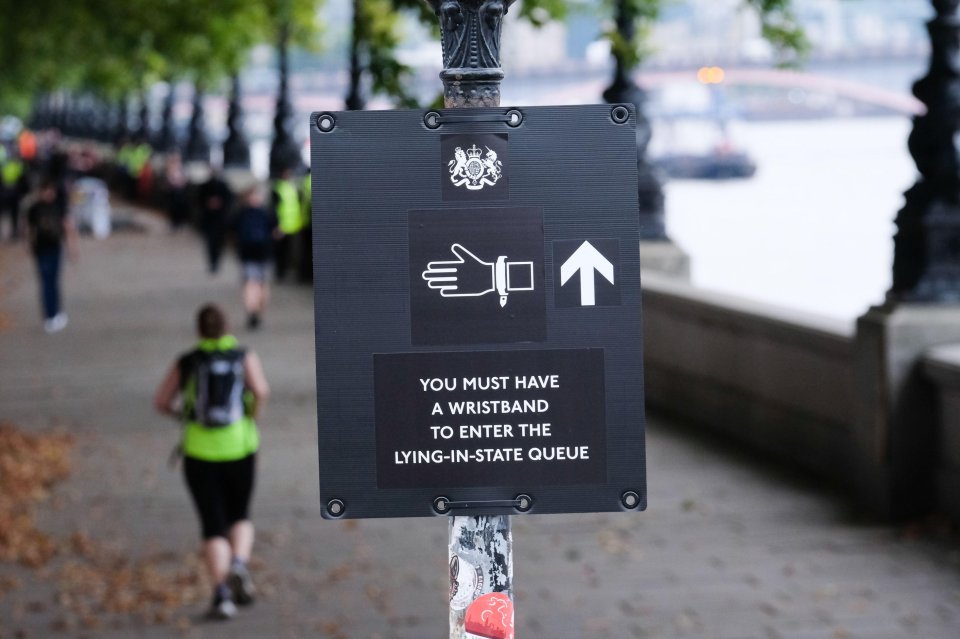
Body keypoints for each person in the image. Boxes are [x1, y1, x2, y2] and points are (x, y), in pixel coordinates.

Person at [153, 304, 269, 620]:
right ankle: (239, 564)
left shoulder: (188, 361)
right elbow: (261, 390)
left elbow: (161, 401)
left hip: (199, 452)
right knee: (240, 514)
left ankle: (221, 595)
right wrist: (251, 419)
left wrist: (185, 416)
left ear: (198, 330)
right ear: (228, 327)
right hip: (240, 446)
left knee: (212, 523)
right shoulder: (244, 356)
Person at [26, 178, 77, 333]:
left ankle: (54, 313)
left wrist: (71, 247)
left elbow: (68, 227)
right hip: (43, 249)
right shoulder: (38, 208)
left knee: (51, 281)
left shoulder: (42, 207)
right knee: (48, 282)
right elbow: (29, 230)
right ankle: (51, 314)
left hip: (52, 248)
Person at [233, 185, 277, 329]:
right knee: (262, 284)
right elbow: (277, 232)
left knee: (250, 283)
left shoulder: (240, 213)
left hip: (247, 252)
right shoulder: (268, 213)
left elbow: (231, 230)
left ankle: (251, 311)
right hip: (264, 252)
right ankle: (259, 312)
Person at [197, 169, 234, 273]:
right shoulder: (205, 186)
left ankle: (216, 262)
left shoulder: (223, 186)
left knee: (219, 243)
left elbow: (229, 200)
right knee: (210, 242)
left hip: (221, 219)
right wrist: (208, 204)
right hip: (209, 219)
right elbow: (198, 200)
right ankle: (212, 262)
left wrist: (220, 204)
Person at [271, 167, 303, 282]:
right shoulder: (278, 188)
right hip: (282, 226)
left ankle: (285, 272)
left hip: (293, 225)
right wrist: (277, 225)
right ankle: (280, 274)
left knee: (289, 252)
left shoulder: (292, 187)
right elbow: (274, 209)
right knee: (281, 252)